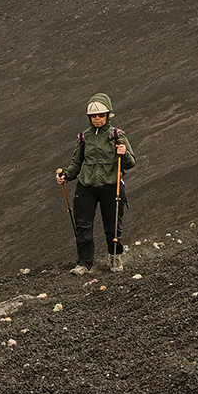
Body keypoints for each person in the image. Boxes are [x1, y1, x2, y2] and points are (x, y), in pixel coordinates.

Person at [56, 93, 135, 273]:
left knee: (112, 225)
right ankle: (84, 263)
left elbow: (131, 163)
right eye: (93, 116)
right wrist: (66, 174)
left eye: (101, 115)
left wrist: (124, 153)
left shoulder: (117, 135)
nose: (97, 119)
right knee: (83, 225)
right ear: (89, 117)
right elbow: (76, 163)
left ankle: (115, 257)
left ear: (108, 115)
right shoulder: (84, 138)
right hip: (86, 186)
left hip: (111, 185)